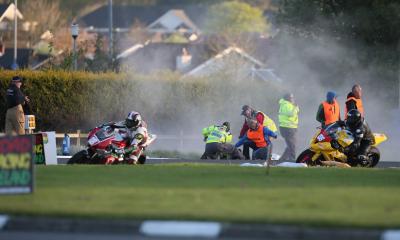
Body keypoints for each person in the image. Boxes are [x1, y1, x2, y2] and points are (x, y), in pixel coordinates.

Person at [278, 93, 299, 161]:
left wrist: (295, 107)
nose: (293, 99)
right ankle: (292, 159)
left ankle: (283, 158)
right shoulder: (286, 105)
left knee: (291, 144)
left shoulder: (287, 104)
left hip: (290, 127)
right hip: (287, 128)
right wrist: (295, 107)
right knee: (292, 145)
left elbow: (296, 112)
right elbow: (291, 114)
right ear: (288, 98)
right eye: (291, 97)